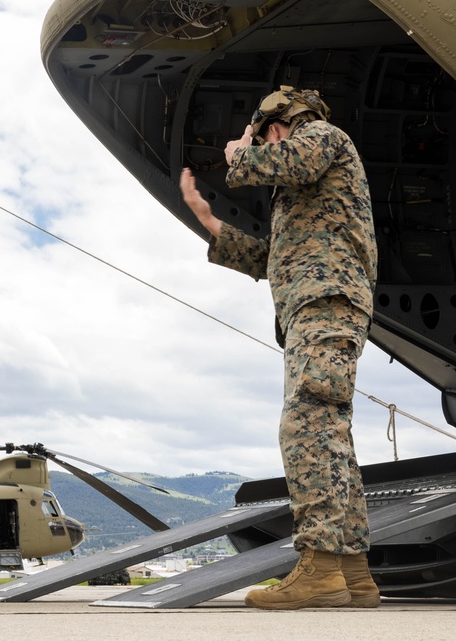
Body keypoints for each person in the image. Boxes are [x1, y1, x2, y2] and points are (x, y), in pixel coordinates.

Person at [179, 86, 379, 610]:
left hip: (326, 300)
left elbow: (290, 160)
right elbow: (280, 258)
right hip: (315, 303)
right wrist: (209, 222)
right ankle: (353, 574)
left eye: (265, 134)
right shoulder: (312, 194)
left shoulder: (321, 138)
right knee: (330, 435)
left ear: (277, 125)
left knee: (306, 425)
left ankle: (319, 570)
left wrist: (240, 154)